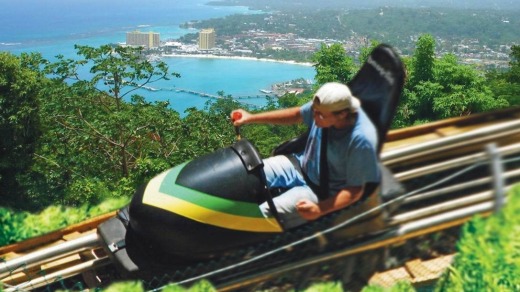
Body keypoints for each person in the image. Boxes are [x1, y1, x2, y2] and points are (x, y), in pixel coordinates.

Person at [231, 82, 380, 229]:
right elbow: (297, 114)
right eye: (314, 111)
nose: (314, 117)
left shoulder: (361, 140)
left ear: (342, 114)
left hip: (320, 190)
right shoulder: (322, 109)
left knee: (260, 216)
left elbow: (355, 190)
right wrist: (251, 118)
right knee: (244, 176)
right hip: (299, 165)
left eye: (320, 115)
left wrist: (320, 209)